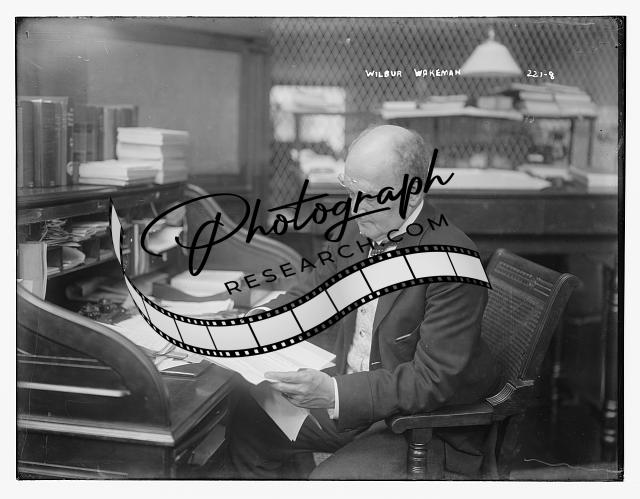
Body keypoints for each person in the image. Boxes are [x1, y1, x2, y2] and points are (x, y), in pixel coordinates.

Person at [221, 125, 501, 479]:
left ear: (413, 193)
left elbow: (431, 380)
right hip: (356, 405)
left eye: (368, 196)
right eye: (349, 191)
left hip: (417, 426)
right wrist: (258, 321)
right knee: (247, 417)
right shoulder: (358, 228)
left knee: (327, 483)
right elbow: (310, 291)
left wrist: (334, 393)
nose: (354, 208)